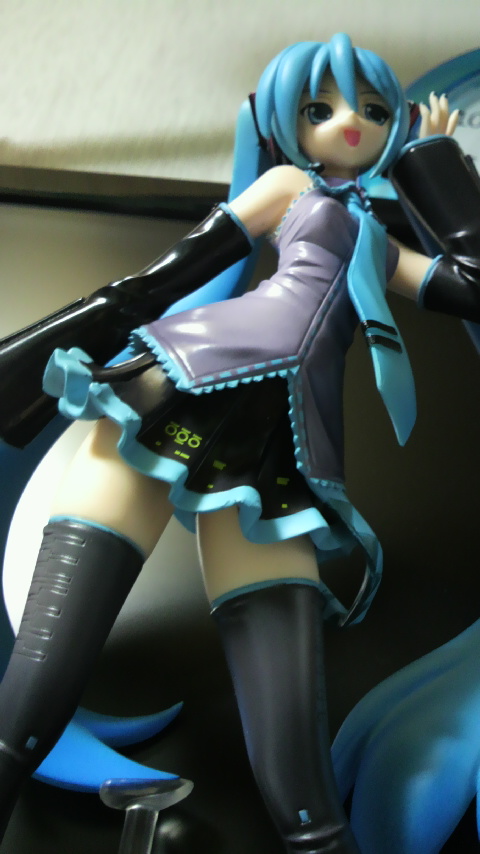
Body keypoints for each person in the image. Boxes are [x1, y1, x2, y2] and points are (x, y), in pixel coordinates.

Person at [0, 32, 474, 853]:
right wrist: (47, 352)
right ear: (289, 122)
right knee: (45, 674)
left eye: (371, 108)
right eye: (321, 107)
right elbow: (169, 276)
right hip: (181, 384)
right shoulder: (288, 187)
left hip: (280, 448)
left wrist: (433, 161)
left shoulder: (376, 238)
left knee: (294, 756)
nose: (350, 123)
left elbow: (470, 283)